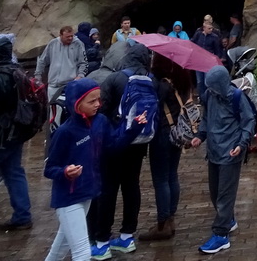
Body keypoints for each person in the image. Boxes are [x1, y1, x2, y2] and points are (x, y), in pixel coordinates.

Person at [43, 78, 147, 261]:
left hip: (88, 194)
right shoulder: (65, 132)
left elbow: (113, 146)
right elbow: (50, 168)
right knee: (82, 253)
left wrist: (134, 128)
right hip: (68, 198)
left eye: (99, 99)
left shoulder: (101, 121)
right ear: (77, 103)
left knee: (60, 249)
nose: (98, 104)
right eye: (91, 101)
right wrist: (65, 171)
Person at [87, 42, 153, 258]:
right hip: (139, 142)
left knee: (108, 190)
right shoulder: (150, 80)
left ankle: (102, 240)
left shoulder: (115, 78)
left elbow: (101, 110)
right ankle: (126, 237)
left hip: (115, 143)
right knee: (131, 186)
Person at [190, 65, 257, 255]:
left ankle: (220, 235)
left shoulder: (236, 97)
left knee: (225, 195)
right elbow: (207, 118)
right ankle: (228, 220)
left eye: (212, 86)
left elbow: (248, 121)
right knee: (214, 191)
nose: (208, 89)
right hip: (213, 152)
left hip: (231, 153)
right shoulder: (210, 97)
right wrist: (200, 136)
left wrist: (241, 144)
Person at [139, 57, 189, 242]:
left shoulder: (162, 85)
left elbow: (152, 106)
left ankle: (162, 223)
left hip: (162, 133)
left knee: (160, 179)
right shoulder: (181, 80)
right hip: (177, 132)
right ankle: (170, 219)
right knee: (172, 176)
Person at [0, 34, 33, 233]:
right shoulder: (17, 71)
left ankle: (22, 216)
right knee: (14, 173)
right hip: (15, 134)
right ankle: (23, 216)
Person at [36, 26, 88, 121]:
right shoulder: (53, 43)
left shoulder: (78, 44)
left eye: (71, 36)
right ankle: (52, 133)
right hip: (53, 85)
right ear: (60, 35)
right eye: (67, 36)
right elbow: (42, 60)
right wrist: (37, 76)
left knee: (67, 113)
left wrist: (80, 76)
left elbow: (83, 63)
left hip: (69, 85)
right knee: (53, 113)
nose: (70, 38)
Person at [192, 21, 224, 95]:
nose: (211, 30)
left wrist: (216, 61)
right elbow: (192, 43)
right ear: (204, 28)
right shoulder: (198, 34)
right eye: (209, 28)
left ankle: (208, 97)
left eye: (211, 28)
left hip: (208, 61)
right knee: (199, 80)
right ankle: (201, 97)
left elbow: (217, 51)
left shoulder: (214, 37)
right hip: (198, 60)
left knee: (207, 80)